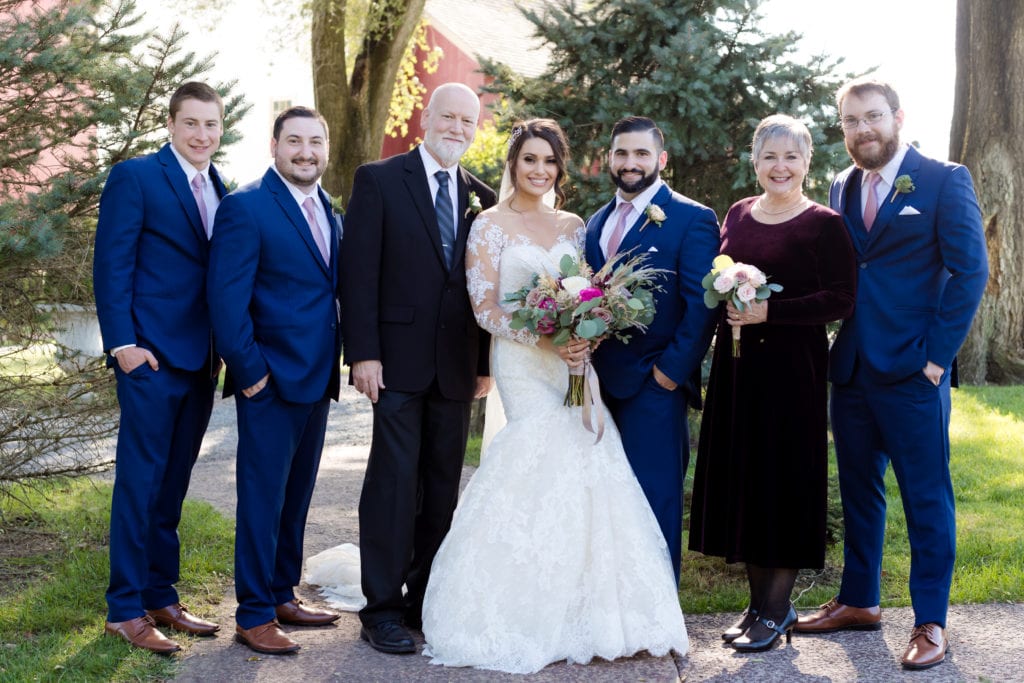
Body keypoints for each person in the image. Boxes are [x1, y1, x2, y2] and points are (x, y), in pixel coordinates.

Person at [420, 118, 687, 674]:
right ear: (513, 164)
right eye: (529, 161)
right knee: (536, 458)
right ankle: (517, 608)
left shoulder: (573, 225)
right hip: (522, 364)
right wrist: (550, 334)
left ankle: (593, 612)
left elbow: (589, 293)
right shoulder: (489, 224)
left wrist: (581, 337)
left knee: (591, 459)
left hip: (573, 363)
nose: (539, 171)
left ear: (559, 170)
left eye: (549, 162)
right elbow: (485, 308)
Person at [794, 79, 988, 671]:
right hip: (851, 368)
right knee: (859, 492)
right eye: (851, 121)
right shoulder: (840, 185)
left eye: (872, 117)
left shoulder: (943, 180)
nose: (863, 130)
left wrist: (935, 358)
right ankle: (860, 599)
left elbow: (969, 272)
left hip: (913, 372)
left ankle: (930, 620)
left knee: (927, 498)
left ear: (897, 117)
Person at [688, 114, 857, 652]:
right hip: (739, 374)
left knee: (783, 483)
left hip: (794, 374)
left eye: (791, 156)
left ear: (807, 162)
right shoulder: (737, 214)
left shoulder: (824, 223)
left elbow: (840, 298)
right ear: (755, 162)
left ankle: (779, 610)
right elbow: (720, 283)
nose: (779, 166)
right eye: (769, 156)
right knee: (748, 481)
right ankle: (757, 606)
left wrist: (771, 312)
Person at [339, 82, 497, 655]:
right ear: (425, 118)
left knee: (441, 491)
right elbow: (357, 274)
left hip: (456, 369)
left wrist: (483, 364)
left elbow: (481, 291)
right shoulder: (379, 180)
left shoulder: (480, 197)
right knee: (392, 486)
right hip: (396, 364)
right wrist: (363, 353)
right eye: (448, 116)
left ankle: (422, 600)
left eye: (467, 121)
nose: (457, 127)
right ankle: (379, 608)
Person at [94, 81, 227, 654]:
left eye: (211, 125)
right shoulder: (136, 176)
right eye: (192, 123)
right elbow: (112, 263)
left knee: (173, 484)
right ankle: (124, 609)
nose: (202, 135)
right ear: (171, 125)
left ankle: (160, 595)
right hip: (148, 358)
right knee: (139, 483)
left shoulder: (219, 184)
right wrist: (123, 344)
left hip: (199, 361)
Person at [207, 106, 343, 655]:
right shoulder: (246, 207)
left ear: (326, 149)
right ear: (274, 146)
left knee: (296, 495)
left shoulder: (329, 209)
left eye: (315, 142)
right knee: (261, 499)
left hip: (316, 379)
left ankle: (282, 591)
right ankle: (254, 613)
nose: (305, 152)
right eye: (294, 141)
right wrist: (251, 374)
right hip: (269, 381)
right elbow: (225, 301)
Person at [580, 116, 721, 583]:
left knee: (654, 499)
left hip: (653, 385)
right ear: (610, 159)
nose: (630, 163)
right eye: (622, 153)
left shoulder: (691, 217)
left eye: (641, 154)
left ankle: (659, 613)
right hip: (597, 387)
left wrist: (668, 376)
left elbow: (701, 307)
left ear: (660, 160)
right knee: (604, 501)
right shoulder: (595, 223)